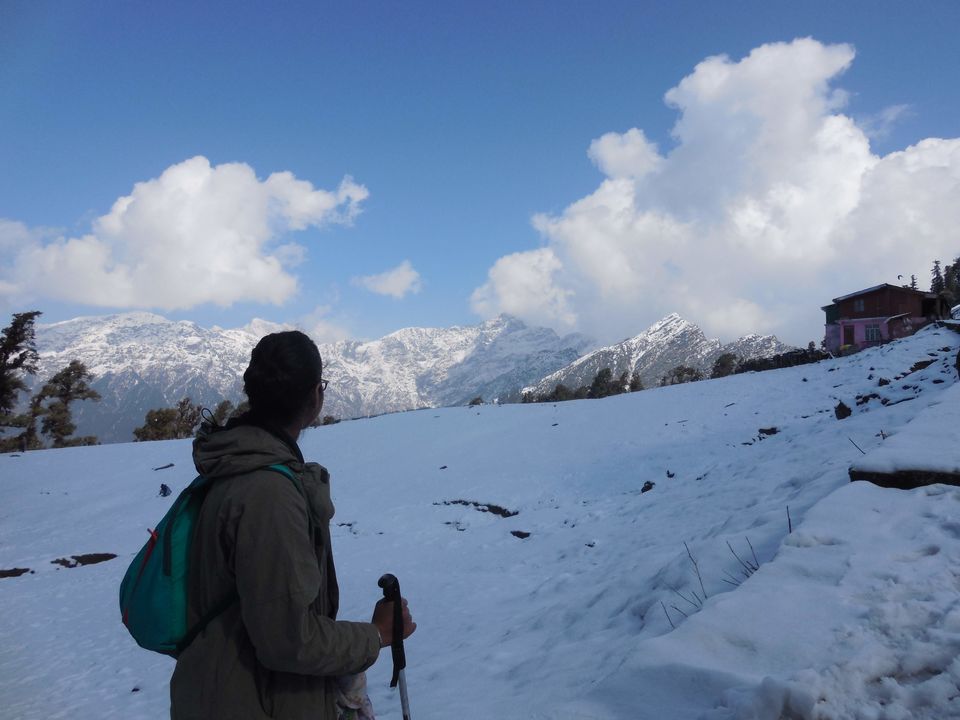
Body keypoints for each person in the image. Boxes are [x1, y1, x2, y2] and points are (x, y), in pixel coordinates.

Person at [170, 330, 415, 719]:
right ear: (315, 397)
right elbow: (287, 640)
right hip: (252, 703)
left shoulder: (240, 466)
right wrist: (377, 635)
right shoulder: (269, 494)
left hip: (226, 692)